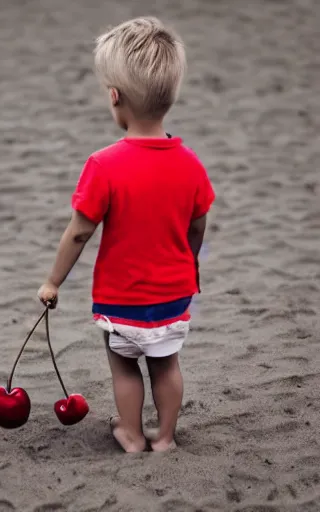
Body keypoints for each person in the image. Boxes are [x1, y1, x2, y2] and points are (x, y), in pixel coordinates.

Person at [37, 16, 215, 453]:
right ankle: (166, 438)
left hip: (123, 296)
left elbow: (80, 232)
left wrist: (53, 281)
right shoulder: (189, 162)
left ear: (114, 97)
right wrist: (190, 261)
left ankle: (132, 434)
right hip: (174, 293)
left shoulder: (104, 165)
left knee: (124, 368)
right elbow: (198, 224)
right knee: (166, 365)